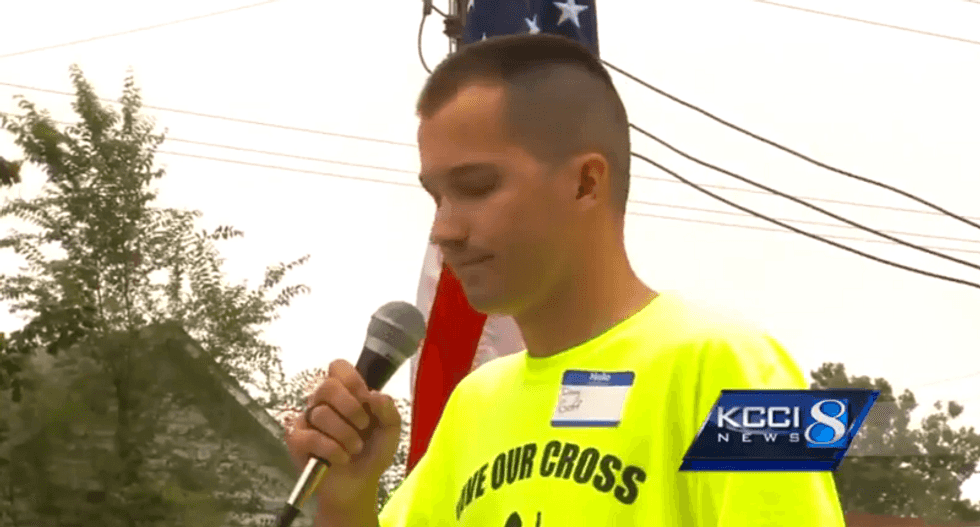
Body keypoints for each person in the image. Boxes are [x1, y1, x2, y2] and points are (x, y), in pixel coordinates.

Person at [284, 33, 847, 527]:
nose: (443, 231)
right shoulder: (473, 403)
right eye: (436, 196)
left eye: (476, 187)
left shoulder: (746, 367)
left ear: (585, 184)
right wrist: (345, 500)